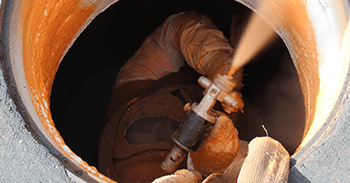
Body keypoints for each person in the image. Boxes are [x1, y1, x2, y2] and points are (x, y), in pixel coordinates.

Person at [97, 11, 272, 182]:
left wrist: (214, 57)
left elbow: (177, 30)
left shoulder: (134, 84)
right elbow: (264, 162)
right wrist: (226, 161)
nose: (158, 125)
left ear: (115, 145)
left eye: (141, 129)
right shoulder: (241, 130)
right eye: (164, 137)